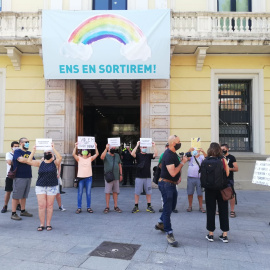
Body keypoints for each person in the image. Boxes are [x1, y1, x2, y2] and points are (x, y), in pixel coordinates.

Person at [155, 135, 187, 247]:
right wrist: (183, 163)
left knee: (172, 207)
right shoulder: (168, 155)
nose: (180, 143)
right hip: (166, 184)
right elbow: (173, 172)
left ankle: (160, 222)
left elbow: (176, 170)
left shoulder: (174, 154)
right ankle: (169, 233)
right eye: (179, 142)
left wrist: (187, 155)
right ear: (173, 143)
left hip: (172, 184)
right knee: (168, 209)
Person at [27, 143, 62, 231]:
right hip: (40, 186)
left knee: (50, 206)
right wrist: (33, 151)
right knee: (41, 206)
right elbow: (29, 161)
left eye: (49, 152)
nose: (47, 153)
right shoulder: (40, 163)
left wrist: (54, 149)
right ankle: (42, 224)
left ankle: (48, 224)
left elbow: (60, 158)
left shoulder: (55, 163)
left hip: (52, 186)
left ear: (52, 155)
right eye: (46, 152)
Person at [204, 142, 230, 243]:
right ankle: (224, 235)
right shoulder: (223, 160)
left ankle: (210, 234)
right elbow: (227, 173)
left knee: (210, 210)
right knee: (223, 210)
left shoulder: (206, 160)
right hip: (222, 188)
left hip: (209, 189)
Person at [131, 141, 158, 213]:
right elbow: (132, 154)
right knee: (137, 192)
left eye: (145, 147)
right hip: (139, 176)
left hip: (147, 177)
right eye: (143, 147)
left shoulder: (149, 155)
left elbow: (156, 154)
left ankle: (149, 206)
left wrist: (154, 146)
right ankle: (136, 206)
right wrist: (137, 145)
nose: (144, 148)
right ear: (140, 148)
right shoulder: (138, 155)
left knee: (148, 192)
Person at [11, 137, 34, 220]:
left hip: (28, 176)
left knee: (24, 195)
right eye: (25, 142)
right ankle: (13, 213)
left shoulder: (29, 152)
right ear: (21, 143)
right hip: (19, 176)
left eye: (28, 142)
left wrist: (26, 160)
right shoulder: (17, 151)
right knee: (16, 195)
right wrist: (28, 160)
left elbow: (32, 162)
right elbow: (20, 160)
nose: (27, 143)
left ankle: (23, 210)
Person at [72, 142, 99, 214]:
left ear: (87, 152)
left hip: (88, 178)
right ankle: (79, 207)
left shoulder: (90, 159)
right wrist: (75, 147)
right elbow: (73, 154)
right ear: (81, 152)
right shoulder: (79, 159)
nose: (84, 151)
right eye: (83, 150)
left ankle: (88, 207)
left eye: (86, 150)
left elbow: (97, 154)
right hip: (81, 178)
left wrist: (96, 147)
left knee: (88, 193)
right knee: (80, 193)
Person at [100, 144, 123, 214]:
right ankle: (107, 207)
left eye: (114, 147)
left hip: (116, 176)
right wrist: (106, 149)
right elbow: (101, 157)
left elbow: (119, 164)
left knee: (115, 192)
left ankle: (116, 206)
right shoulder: (106, 154)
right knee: (107, 192)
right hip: (109, 177)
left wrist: (121, 174)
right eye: (112, 147)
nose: (113, 148)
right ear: (109, 148)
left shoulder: (117, 155)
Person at [1, 141, 21, 213]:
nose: (16, 147)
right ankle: (5, 206)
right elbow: (9, 162)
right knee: (8, 191)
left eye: (17, 146)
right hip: (10, 175)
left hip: (18, 176)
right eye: (15, 146)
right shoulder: (8, 154)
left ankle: (18, 205)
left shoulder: (19, 154)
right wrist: (18, 161)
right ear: (12, 147)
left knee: (18, 191)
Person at [159, 143, 178, 213]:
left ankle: (172, 208)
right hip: (165, 180)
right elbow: (160, 165)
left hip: (173, 180)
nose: (167, 148)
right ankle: (163, 207)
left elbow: (178, 166)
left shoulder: (175, 155)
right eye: (166, 146)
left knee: (173, 196)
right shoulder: (163, 155)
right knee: (166, 197)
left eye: (168, 146)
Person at [186, 147, 207, 213]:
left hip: (199, 178)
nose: (196, 151)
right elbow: (186, 157)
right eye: (195, 150)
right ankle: (190, 206)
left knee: (200, 193)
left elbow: (207, 158)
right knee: (190, 193)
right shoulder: (191, 157)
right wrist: (189, 150)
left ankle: (201, 207)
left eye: (197, 150)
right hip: (190, 177)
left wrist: (203, 151)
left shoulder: (201, 157)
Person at [220, 143, 238, 218]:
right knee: (220, 193)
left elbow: (236, 168)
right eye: (221, 150)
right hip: (220, 178)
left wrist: (228, 168)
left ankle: (232, 210)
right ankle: (220, 209)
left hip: (229, 178)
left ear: (227, 149)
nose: (222, 151)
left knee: (231, 194)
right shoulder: (219, 157)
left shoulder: (232, 157)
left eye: (223, 150)